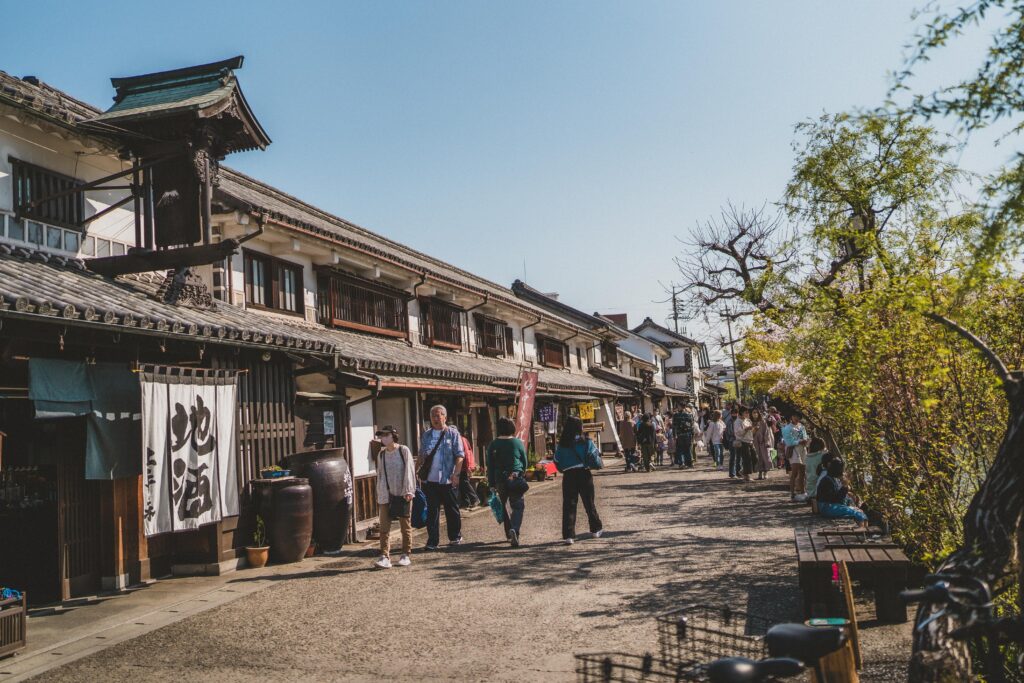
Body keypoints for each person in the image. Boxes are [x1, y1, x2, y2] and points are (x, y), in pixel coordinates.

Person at [417, 405, 465, 550]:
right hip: (430, 479)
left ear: (445, 417)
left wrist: (456, 474)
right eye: (433, 416)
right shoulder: (426, 435)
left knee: (452, 509)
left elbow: (460, 455)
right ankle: (432, 540)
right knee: (432, 510)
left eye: (438, 416)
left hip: (448, 478)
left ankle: (455, 536)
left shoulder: (452, 433)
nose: (436, 419)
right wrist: (416, 471)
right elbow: (421, 455)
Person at [554, 416, 604, 545]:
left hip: (568, 475)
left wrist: (563, 469)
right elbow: (594, 455)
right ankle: (595, 529)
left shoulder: (562, 444)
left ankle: (569, 535)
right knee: (589, 503)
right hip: (584, 473)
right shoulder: (586, 441)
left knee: (569, 505)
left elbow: (557, 461)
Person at [373, 425, 416, 569]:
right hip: (387, 493)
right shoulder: (382, 454)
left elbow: (409, 470)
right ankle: (384, 556)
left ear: (393, 436)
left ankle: (405, 554)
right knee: (384, 527)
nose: (383, 438)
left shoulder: (403, 450)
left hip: (404, 493)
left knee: (405, 526)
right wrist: (381, 493)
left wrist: (409, 490)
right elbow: (380, 475)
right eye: (382, 436)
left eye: (386, 435)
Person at [486, 417, 528, 547]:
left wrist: (491, 484)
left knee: (504, 505)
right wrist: (522, 472)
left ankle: (509, 534)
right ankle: (514, 529)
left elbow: (490, 466)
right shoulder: (517, 442)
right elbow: (524, 461)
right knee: (517, 506)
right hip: (515, 477)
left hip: (500, 479)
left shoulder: (493, 444)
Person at [816, 458, 868, 527]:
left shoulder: (832, 478)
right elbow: (836, 499)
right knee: (859, 514)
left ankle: (864, 531)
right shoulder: (827, 481)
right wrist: (845, 487)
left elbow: (837, 498)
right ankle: (863, 532)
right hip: (827, 507)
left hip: (830, 505)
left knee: (861, 513)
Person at [782, 414, 809, 501]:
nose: (796, 418)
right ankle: (792, 493)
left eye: (798, 416)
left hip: (803, 449)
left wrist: (805, 440)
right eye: (794, 416)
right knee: (795, 472)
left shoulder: (802, 426)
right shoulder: (787, 428)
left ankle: (803, 491)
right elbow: (789, 441)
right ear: (791, 416)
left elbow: (805, 436)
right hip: (794, 450)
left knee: (803, 472)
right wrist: (800, 441)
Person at [458, 433, 481, 509]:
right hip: (461, 465)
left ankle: (474, 499)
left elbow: (467, 454)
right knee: (461, 483)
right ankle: (465, 502)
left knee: (464, 482)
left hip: (463, 465)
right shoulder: (461, 439)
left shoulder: (461, 439)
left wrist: (468, 467)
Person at [734, 406, 755, 481]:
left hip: (750, 440)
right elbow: (738, 433)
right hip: (743, 442)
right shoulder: (737, 422)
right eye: (745, 412)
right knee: (747, 459)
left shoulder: (748, 420)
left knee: (754, 457)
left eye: (747, 412)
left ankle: (743, 471)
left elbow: (751, 431)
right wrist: (746, 429)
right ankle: (746, 476)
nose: (747, 414)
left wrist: (753, 429)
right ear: (741, 413)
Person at [751, 409, 773, 479]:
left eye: (756, 412)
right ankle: (760, 472)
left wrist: (767, 441)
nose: (755, 414)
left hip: (763, 442)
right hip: (755, 442)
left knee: (765, 457)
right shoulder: (750, 422)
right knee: (758, 457)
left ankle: (765, 472)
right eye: (753, 413)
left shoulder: (762, 421)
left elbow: (766, 432)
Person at [672, 403, 695, 469]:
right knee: (688, 449)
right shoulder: (689, 415)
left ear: (681, 407)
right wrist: (692, 435)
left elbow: (674, 426)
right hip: (688, 434)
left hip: (680, 435)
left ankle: (682, 463)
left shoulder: (676, 415)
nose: (677, 408)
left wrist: (674, 435)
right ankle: (690, 463)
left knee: (680, 449)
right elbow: (692, 426)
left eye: (678, 406)